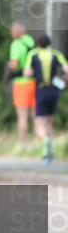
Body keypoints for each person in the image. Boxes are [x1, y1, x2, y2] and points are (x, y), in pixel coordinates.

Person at [23, 34, 67, 164]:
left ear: (38, 44)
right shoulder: (56, 54)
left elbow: (27, 72)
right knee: (49, 122)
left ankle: (45, 142)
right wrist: (64, 80)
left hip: (41, 89)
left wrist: (32, 73)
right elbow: (66, 69)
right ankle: (50, 154)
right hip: (54, 89)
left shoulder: (33, 54)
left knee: (39, 124)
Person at [8, 22, 38, 143]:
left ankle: (22, 143)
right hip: (34, 81)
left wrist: (9, 65)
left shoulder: (16, 44)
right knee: (35, 114)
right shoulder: (30, 40)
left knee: (22, 116)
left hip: (21, 83)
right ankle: (37, 141)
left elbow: (15, 64)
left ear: (16, 32)